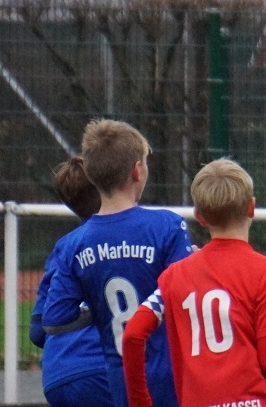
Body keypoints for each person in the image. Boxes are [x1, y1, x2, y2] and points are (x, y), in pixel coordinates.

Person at [121, 158, 266, 407]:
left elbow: (133, 334)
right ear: (251, 208)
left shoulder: (174, 276)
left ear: (200, 217)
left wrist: (140, 403)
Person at [42, 119, 194, 407]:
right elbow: (186, 296)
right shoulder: (168, 226)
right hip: (168, 378)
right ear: (137, 170)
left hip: (120, 381)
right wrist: (195, 266)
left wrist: (96, 306)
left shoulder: (74, 245)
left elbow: (54, 319)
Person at [29, 156, 114, 407]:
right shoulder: (130, 239)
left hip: (57, 377)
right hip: (103, 370)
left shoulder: (63, 249)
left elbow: (37, 331)